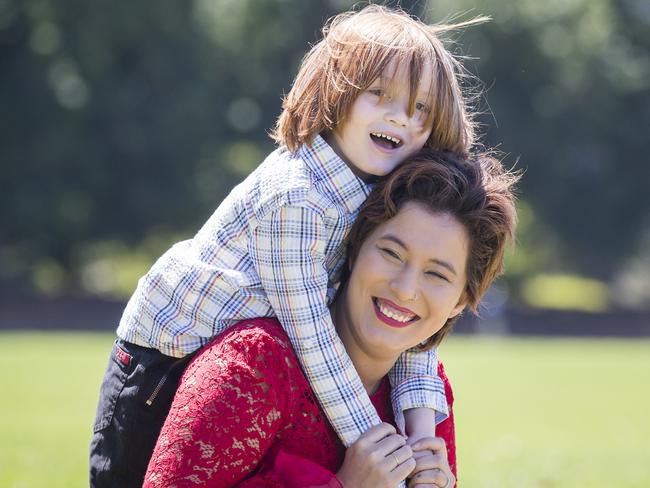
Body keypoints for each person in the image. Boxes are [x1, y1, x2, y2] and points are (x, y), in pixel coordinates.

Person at [90, 6, 487, 487]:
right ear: (335, 94)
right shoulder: (294, 197)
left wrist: (421, 433)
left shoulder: (378, 189)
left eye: (420, 109)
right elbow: (313, 339)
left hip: (236, 354)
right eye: (379, 94)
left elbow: (411, 332)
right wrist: (380, 451)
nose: (399, 118)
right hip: (158, 368)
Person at [143, 150, 520, 487]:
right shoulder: (254, 363)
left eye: (437, 275)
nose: (405, 289)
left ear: (462, 300)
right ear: (355, 250)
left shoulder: (425, 397)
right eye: (391, 253)